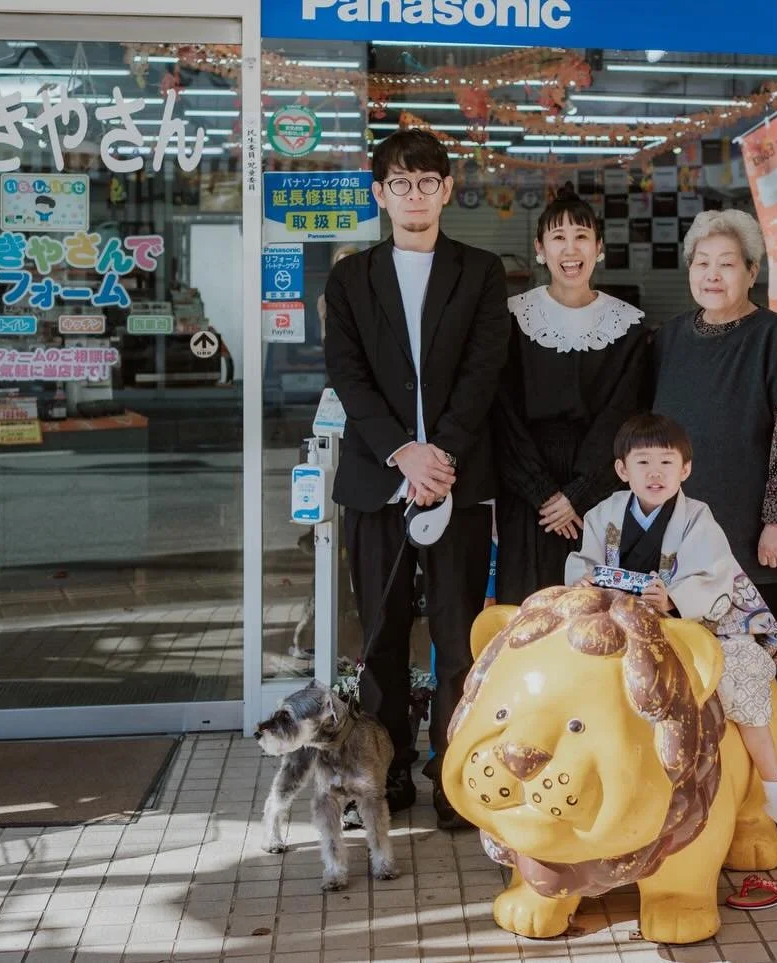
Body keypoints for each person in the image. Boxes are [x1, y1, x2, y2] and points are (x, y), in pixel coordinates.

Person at [323, 129, 510, 829]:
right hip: (378, 483)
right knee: (380, 641)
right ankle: (387, 771)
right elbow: (347, 372)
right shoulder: (350, 278)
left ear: (448, 190)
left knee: (461, 639)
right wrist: (403, 450)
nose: (415, 196)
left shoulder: (481, 270)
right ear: (380, 193)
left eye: (428, 182)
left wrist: (441, 457)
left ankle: (458, 774)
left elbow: (482, 370)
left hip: (457, 482)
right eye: (400, 183)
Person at [564, 413, 777, 849]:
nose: (655, 473)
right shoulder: (603, 514)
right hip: (621, 623)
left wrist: (673, 599)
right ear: (623, 470)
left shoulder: (698, 516)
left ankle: (774, 790)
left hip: (697, 624)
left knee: (743, 678)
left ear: (686, 469)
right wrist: (585, 582)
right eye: (643, 463)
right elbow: (582, 565)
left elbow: (713, 575)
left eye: (667, 462)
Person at [492, 185, 649, 605]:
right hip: (527, 494)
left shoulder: (629, 325)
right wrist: (545, 494)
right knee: (528, 609)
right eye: (558, 237)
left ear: (599, 247)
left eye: (581, 236)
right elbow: (501, 413)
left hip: (601, 490)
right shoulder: (511, 317)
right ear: (540, 248)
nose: (570, 248)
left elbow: (625, 414)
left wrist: (578, 495)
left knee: (598, 610)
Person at [652, 210, 777, 630]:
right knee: (683, 670)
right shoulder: (668, 338)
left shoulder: (774, 337)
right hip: (677, 538)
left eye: (727, 263)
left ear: (752, 271)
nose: (712, 275)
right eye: (702, 263)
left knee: (754, 670)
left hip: (751, 536)